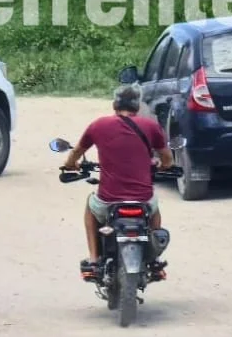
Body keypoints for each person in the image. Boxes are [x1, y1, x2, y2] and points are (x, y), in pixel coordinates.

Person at [61, 84, 174, 282]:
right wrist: (162, 166)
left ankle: (95, 260)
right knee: (154, 208)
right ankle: (154, 261)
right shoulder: (150, 127)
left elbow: (76, 152)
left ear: (114, 104)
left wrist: (71, 165)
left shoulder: (98, 125)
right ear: (137, 106)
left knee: (90, 205)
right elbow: (167, 159)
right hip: (142, 201)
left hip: (108, 201)